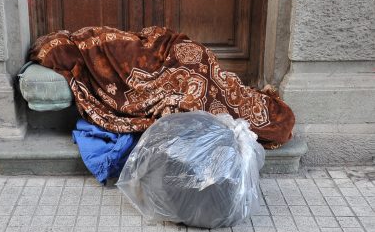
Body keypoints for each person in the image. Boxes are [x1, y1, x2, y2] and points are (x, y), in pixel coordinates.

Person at [29, 26, 295, 149]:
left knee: (193, 79)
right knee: (134, 49)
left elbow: (193, 101)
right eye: (261, 104)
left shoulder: (225, 110)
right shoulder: (227, 91)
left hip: (184, 65)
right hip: (174, 54)